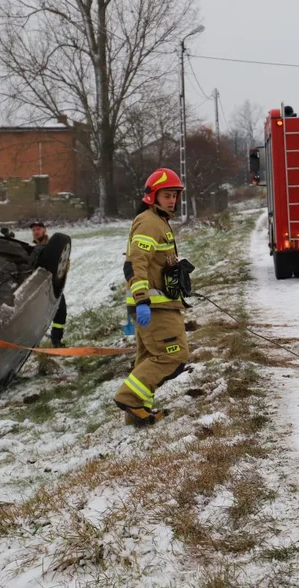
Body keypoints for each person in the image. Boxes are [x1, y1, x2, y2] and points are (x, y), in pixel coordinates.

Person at [113, 168, 193, 426]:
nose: (172, 200)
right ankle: (128, 398)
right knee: (174, 354)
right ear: (153, 196)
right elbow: (137, 263)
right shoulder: (149, 222)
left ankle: (139, 413)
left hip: (158, 304)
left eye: (174, 195)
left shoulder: (159, 221)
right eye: (167, 195)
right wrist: (142, 300)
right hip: (153, 306)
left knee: (148, 358)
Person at [31, 221, 67, 348]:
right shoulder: (31, 248)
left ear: (45, 230)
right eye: (34, 230)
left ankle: (56, 341)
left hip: (52, 284)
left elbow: (64, 263)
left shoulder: (53, 247)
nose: (36, 232)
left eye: (39, 229)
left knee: (60, 311)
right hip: (37, 287)